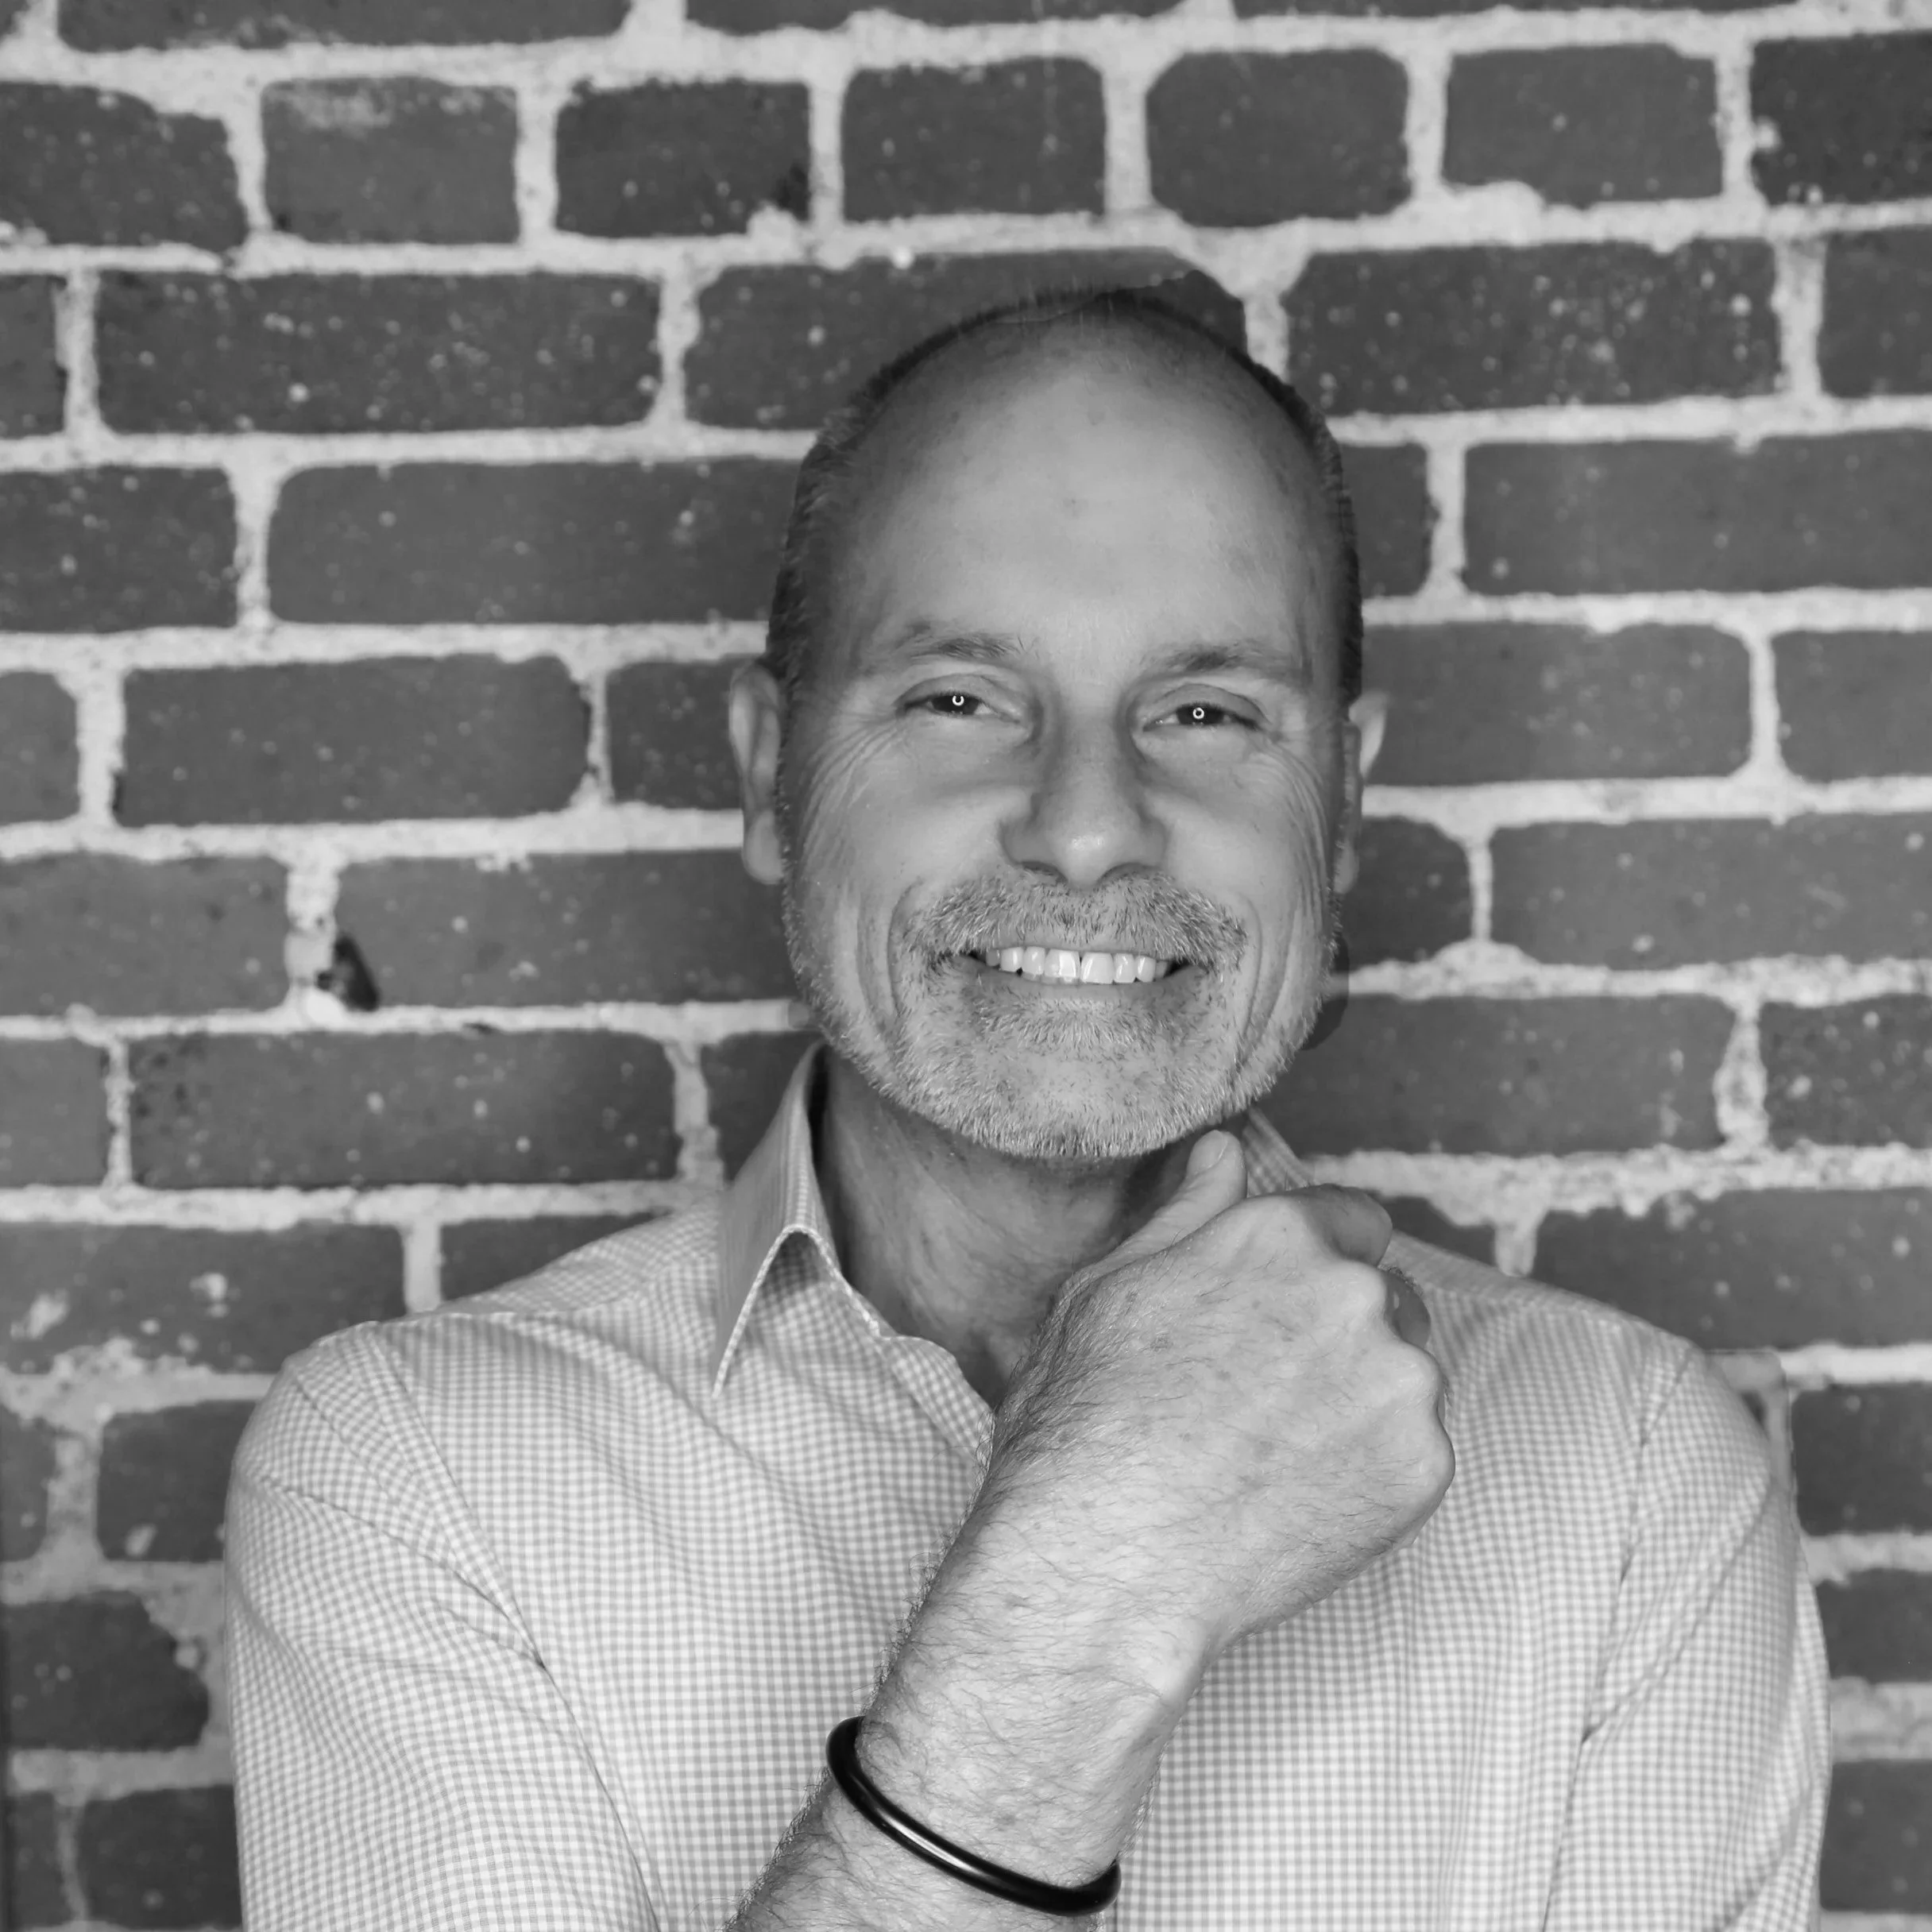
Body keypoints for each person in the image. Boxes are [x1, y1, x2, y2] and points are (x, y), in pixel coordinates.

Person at [226, 288, 1829, 1930]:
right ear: (770, 775)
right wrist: (1096, 1577)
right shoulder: (413, 1470)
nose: (1084, 828)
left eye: (1204, 712)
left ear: (1343, 803)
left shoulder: (1633, 1480)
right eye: (960, 699)